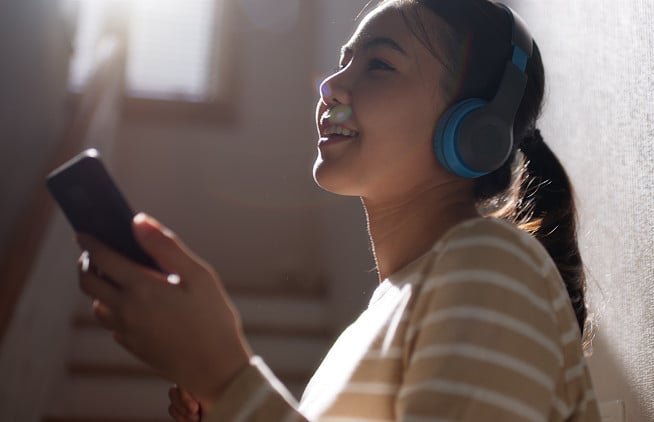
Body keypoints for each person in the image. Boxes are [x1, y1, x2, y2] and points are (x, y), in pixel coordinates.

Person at [77, 0, 601, 420]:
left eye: (378, 64)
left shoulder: (489, 264)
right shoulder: (371, 326)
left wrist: (228, 378)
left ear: (474, 129)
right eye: (343, 61)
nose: (331, 85)